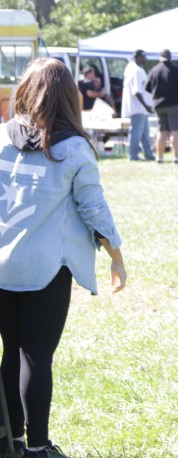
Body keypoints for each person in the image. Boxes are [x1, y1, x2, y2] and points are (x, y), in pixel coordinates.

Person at [0, 58, 126, 458]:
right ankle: (38, 448)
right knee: (36, 355)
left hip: (2, 265)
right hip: (46, 269)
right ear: (69, 98)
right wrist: (117, 257)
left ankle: (10, 441)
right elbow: (95, 210)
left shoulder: (1, 138)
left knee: (11, 351)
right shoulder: (73, 148)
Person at [145, 49, 178, 164]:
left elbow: (147, 87)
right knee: (175, 131)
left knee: (162, 131)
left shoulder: (154, 70)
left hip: (159, 105)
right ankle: (176, 158)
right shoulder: (176, 71)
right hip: (174, 104)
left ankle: (159, 157)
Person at [121, 49, 155, 161]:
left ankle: (148, 154)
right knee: (136, 132)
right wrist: (146, 106)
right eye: (144, 56)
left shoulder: (134, 68)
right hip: (138, 107)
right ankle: (133, 155)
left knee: (145, 133)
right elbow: (136, 91)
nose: (146, 59)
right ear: (137, 57)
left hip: (140, 108)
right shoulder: (135, 70)